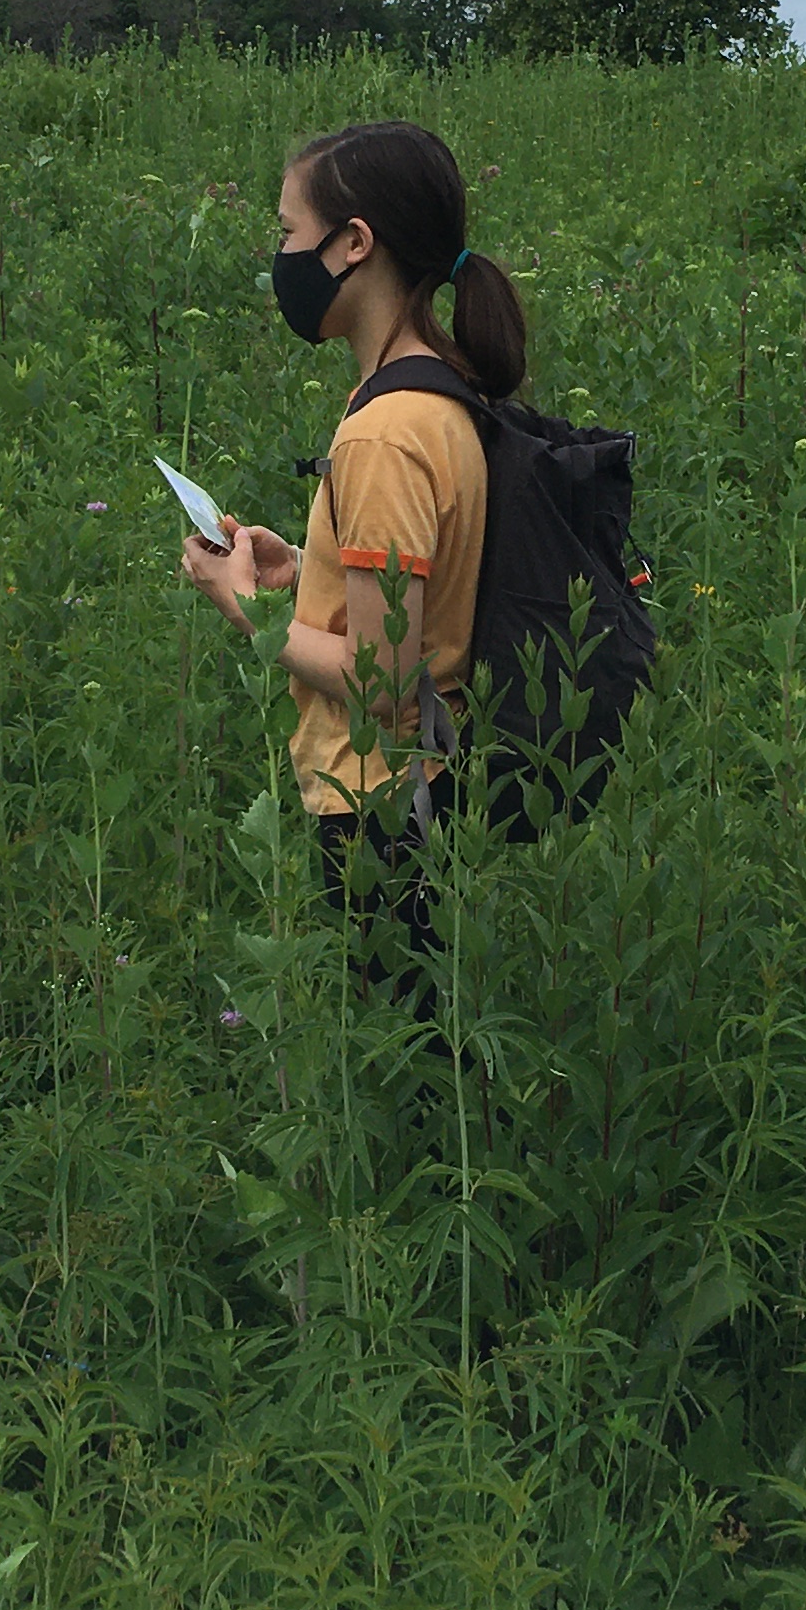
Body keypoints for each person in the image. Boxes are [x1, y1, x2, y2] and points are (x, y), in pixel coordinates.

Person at [179, 121, 522, 986]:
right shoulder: (436, 390)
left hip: (382, 805)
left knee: (397, 1047)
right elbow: (421, 587)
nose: (282, 257)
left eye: (289, 232)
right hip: (434, 782)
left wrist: (243, 607)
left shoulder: (383, 434)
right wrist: (307, 569)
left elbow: (382, 681)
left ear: (353, 244)